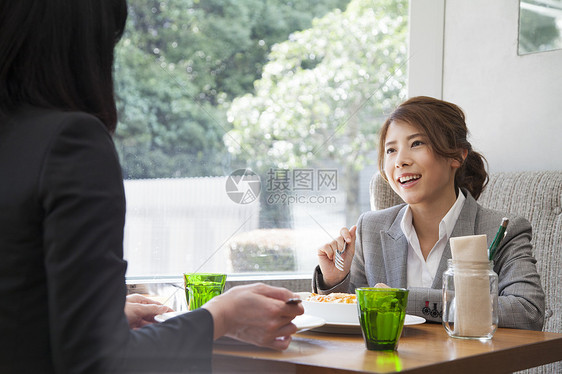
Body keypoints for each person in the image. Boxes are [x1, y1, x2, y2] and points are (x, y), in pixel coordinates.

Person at [0, 1, 303, 373]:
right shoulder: (70, 141)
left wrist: (100, 317)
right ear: (83, 46)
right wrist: (220, 317)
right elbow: (99, 362)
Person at [313, 96, 545, 330]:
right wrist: (335, 280)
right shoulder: (370, 228)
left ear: (457, 155)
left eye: (416, 144)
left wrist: (402, 299)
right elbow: (355, 317)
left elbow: (527, 312)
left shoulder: (502, 230)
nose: (400, 161)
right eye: (391, 150)